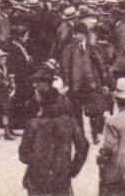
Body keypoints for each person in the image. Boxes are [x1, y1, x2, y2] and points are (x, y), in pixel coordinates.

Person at [19, 67, 89, 196]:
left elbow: (23, 154)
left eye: (39, 82)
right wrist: (72, 168)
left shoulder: (34, 123)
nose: (36, 86)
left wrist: (38, 162)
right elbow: (83, 145)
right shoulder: (69, 121)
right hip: (61, 175)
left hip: (37, 177)